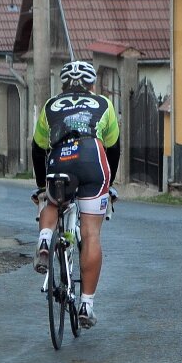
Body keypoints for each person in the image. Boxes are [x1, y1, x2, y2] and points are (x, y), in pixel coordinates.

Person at [31, 60, 120, 329]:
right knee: (91, 234)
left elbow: (37, 148)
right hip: (93, 158)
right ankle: (86, 305)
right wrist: (108, 183)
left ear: (63, 85)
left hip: (61, 158)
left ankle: (45, 240)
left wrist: (40, 185)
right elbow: (113, 149)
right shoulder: (104, 104)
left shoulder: (51, 105)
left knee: (52, 199)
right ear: (92, 85)